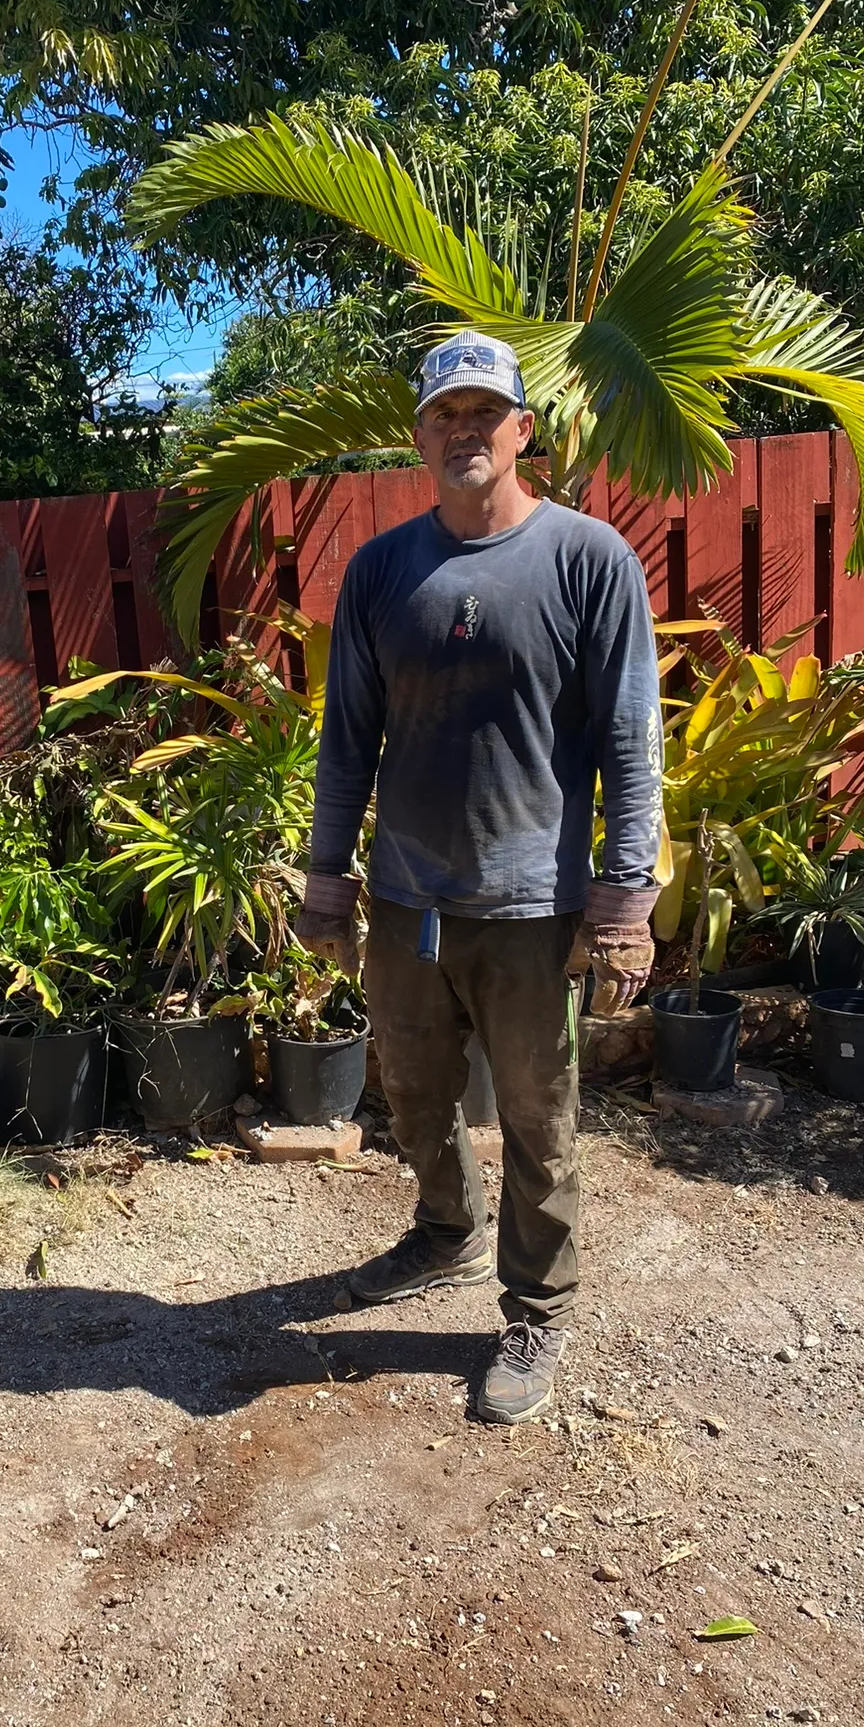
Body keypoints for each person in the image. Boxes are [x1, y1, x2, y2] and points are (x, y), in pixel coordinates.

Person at [296, 331, 663, 1425]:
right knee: (410, 1089)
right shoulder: (382, 571)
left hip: (530, 904)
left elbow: (632, 740)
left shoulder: (587, 558)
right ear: (420, 436)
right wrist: (327, 877)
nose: (464, 430)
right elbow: (346, 738)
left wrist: (626, 898)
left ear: (522, 430)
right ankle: (444, 1228)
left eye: (483, 412)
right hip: (409, 899)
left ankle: (537, 1303)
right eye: (443, 415)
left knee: (540, 1116)